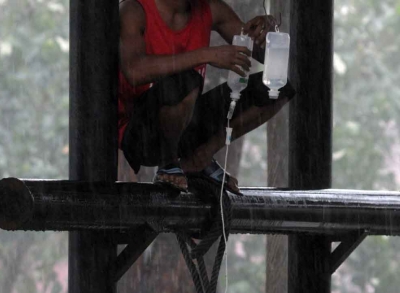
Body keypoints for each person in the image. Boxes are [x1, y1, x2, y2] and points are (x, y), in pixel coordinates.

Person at [118, 0, 294, 191]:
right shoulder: (133, 9)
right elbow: (134, 70)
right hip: (141, 135)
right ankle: (168, 163)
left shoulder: (211, 9)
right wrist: (205, 55)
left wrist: (269, 34)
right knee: (187, 81)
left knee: (277, 88)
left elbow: (261, 53)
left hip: (186, 127)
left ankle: (199, 158)